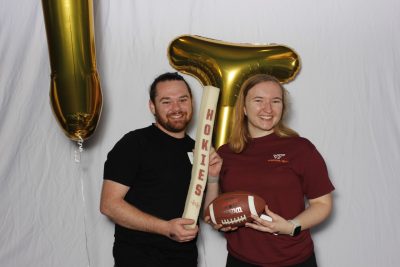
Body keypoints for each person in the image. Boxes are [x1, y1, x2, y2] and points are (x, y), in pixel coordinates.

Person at [204, 74, 335, 267]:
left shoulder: (301, 148)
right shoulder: (226, 152)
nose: (268, 109)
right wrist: (213, 179)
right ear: (244, 107)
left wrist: (291, 226)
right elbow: (211, 214)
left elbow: (322, 204)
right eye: (258, 101)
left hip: (294, 259)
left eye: (276, 101)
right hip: (241, 260)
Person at [100, 72, 222, 267]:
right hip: (138, 260)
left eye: (183, 99)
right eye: (166, 101)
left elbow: (209, 215)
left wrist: (213, 178)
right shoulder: (134, 144)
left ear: (192, 102)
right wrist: (165, 228)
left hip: (185, 260)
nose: (176, 108)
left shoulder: (198, 150)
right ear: (152, 106)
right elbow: (109, 205)